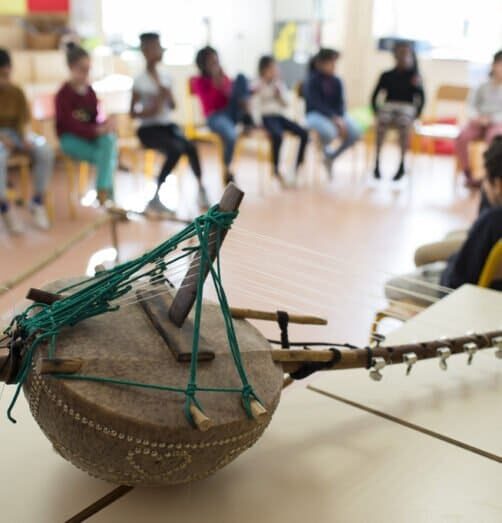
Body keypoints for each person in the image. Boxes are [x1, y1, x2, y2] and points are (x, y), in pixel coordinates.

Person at [386, 136, 502, 306]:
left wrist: (449, 265)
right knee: (447, 241)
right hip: (483, 288)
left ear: (497, 184)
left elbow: (457, 280)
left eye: (486, 179)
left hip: (458, 295)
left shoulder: (492, 220)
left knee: (392, 286)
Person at [131, 33, 208, 215]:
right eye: (154, 47)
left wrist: (167, 96)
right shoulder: (139, 80)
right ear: (145, 51)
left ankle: (201, 189)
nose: (158, 51)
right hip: (148, 129)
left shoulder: (166, 77)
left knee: (189, 146)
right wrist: (151, 108)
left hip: (166, 126)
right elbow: (132, 113)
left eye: (159, 46)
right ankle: (156, 196)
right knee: (176, 149)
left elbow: (173, 106)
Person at [55, 43, 117, 205]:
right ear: (71, 67)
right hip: (71, 140)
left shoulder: (90, 91)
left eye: (88, 69)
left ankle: (103, 194)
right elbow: (71, 125)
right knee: (108, 156)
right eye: (82, 69)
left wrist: (106, 123)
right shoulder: (63, 95)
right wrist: (96, 131)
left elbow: (94, 119)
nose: (85, 73)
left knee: (109, 140)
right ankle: (106, 196)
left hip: (90, 137)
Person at [0, 48, 53, 234]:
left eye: (6, 74)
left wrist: (24, 137)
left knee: (44, 149)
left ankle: (37, 202)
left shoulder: (17, 92)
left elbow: (24, 121)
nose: (4, 79)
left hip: (16, 133)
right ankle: (4, 208)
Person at [193, 46, 254, 184]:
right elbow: (211, 103)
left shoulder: (224, 76)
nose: (215, 63)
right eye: (211, 61)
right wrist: (216, 82)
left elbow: (229, 96)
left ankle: (247, 116)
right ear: (203, 63)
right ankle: (227, 168)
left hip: (230, 112)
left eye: (216, 60)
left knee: (241, 77)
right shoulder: (199, 81)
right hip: (215, 116)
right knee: (231, 135)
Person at [371, 43, 425, 181]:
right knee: (381, 123)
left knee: (404, 124)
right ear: (395, 56)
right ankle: (377, 162)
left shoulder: (415, 77)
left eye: (406, 54)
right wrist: (375, 111)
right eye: (400, 54)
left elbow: (422, 97)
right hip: (389, 106)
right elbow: (375, 95)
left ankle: (401, 164)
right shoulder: (386, 75)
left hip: (407, 108)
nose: (403, 57)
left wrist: (417, 114)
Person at [304, 48, 361, 177]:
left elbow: (341, 104)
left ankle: (330, 157)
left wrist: (339, 118)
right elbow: (316, 104)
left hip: (337, 116)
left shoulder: (337, 81)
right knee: (330, 132)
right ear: (320, 63)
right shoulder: (312, 80)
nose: (334, 65)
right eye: (331, 62)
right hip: (316, 114)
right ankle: (325, 150)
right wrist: (333, 118)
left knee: (355, 133)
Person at [254, 55, 308, 185]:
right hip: (266, 118)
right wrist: (258, 124)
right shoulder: (257, 85)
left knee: (303, 133)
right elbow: (254, 106)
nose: (275, 70)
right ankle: (276, 170)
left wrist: (279, 95)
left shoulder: (278, 84)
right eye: (272, 68)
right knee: (277, 136)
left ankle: (296, 168)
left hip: (279, 116)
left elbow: (286, 104)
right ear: (264, 70)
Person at [456, 50, 502, 188]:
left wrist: (492, 119)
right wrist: (478, 118)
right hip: (478, 121)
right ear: (493, 65)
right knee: (462, 137)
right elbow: (471, 105)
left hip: (497, 122)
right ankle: (468, 173)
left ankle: (489, 174)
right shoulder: (482, 85)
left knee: (495, 140)